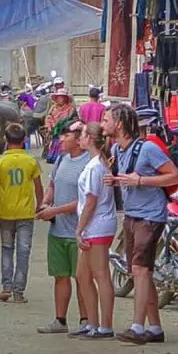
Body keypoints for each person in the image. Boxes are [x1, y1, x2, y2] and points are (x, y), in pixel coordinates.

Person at [102, 103, 178, 344]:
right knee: (140, 271)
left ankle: (138, 326)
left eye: (106, 119)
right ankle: (155, 327)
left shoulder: (147, 149)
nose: (103, 123)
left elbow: (174, 176)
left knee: (140, 270)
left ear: (120, 124)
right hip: (132, 214)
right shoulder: (117, 148)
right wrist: (118, 181)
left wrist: (141, 180)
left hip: (150, 216)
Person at [35, 121, 91, 334]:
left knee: (82, 278)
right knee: (60, 276)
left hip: (79, 231)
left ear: (79, 140)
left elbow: (86, 201)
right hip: (58, 230)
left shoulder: (90, 164)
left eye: (65, 136)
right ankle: (60, 319)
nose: (61, 140)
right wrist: (46, 203)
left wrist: (55, 211)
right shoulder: (60, 160)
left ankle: (86, 319)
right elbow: (52, 185)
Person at [0, 124, 43, 303]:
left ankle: (6, 287)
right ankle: (18, 291)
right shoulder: (31, 161)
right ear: (24, 140)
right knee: (23, 252)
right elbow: (38, 186)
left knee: (6, 249)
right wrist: (40, 205)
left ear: (6, 140)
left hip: (5, 213)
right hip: (26, 213)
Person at [72, 122, 117, 339]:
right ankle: (92, 321)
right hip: (95, 224)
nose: (78, 138)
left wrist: (79, 229)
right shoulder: (97, 164)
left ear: (89, 138)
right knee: (83, 274)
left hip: (97, 224)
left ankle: (105, 325)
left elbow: (91, 201)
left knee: (100, 274)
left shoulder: (96, 167)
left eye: (81, 134)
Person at [44, 88, 77, 164]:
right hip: (55, 135)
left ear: (65, 98)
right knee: (55, 158)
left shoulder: (71, 109)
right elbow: (48, 117)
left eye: (61, 97)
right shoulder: (53, 108)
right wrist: (50, 126)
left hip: (65, 134)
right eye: (58, 97)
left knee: (64, 155)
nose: (59, 99)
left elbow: (74, 121)